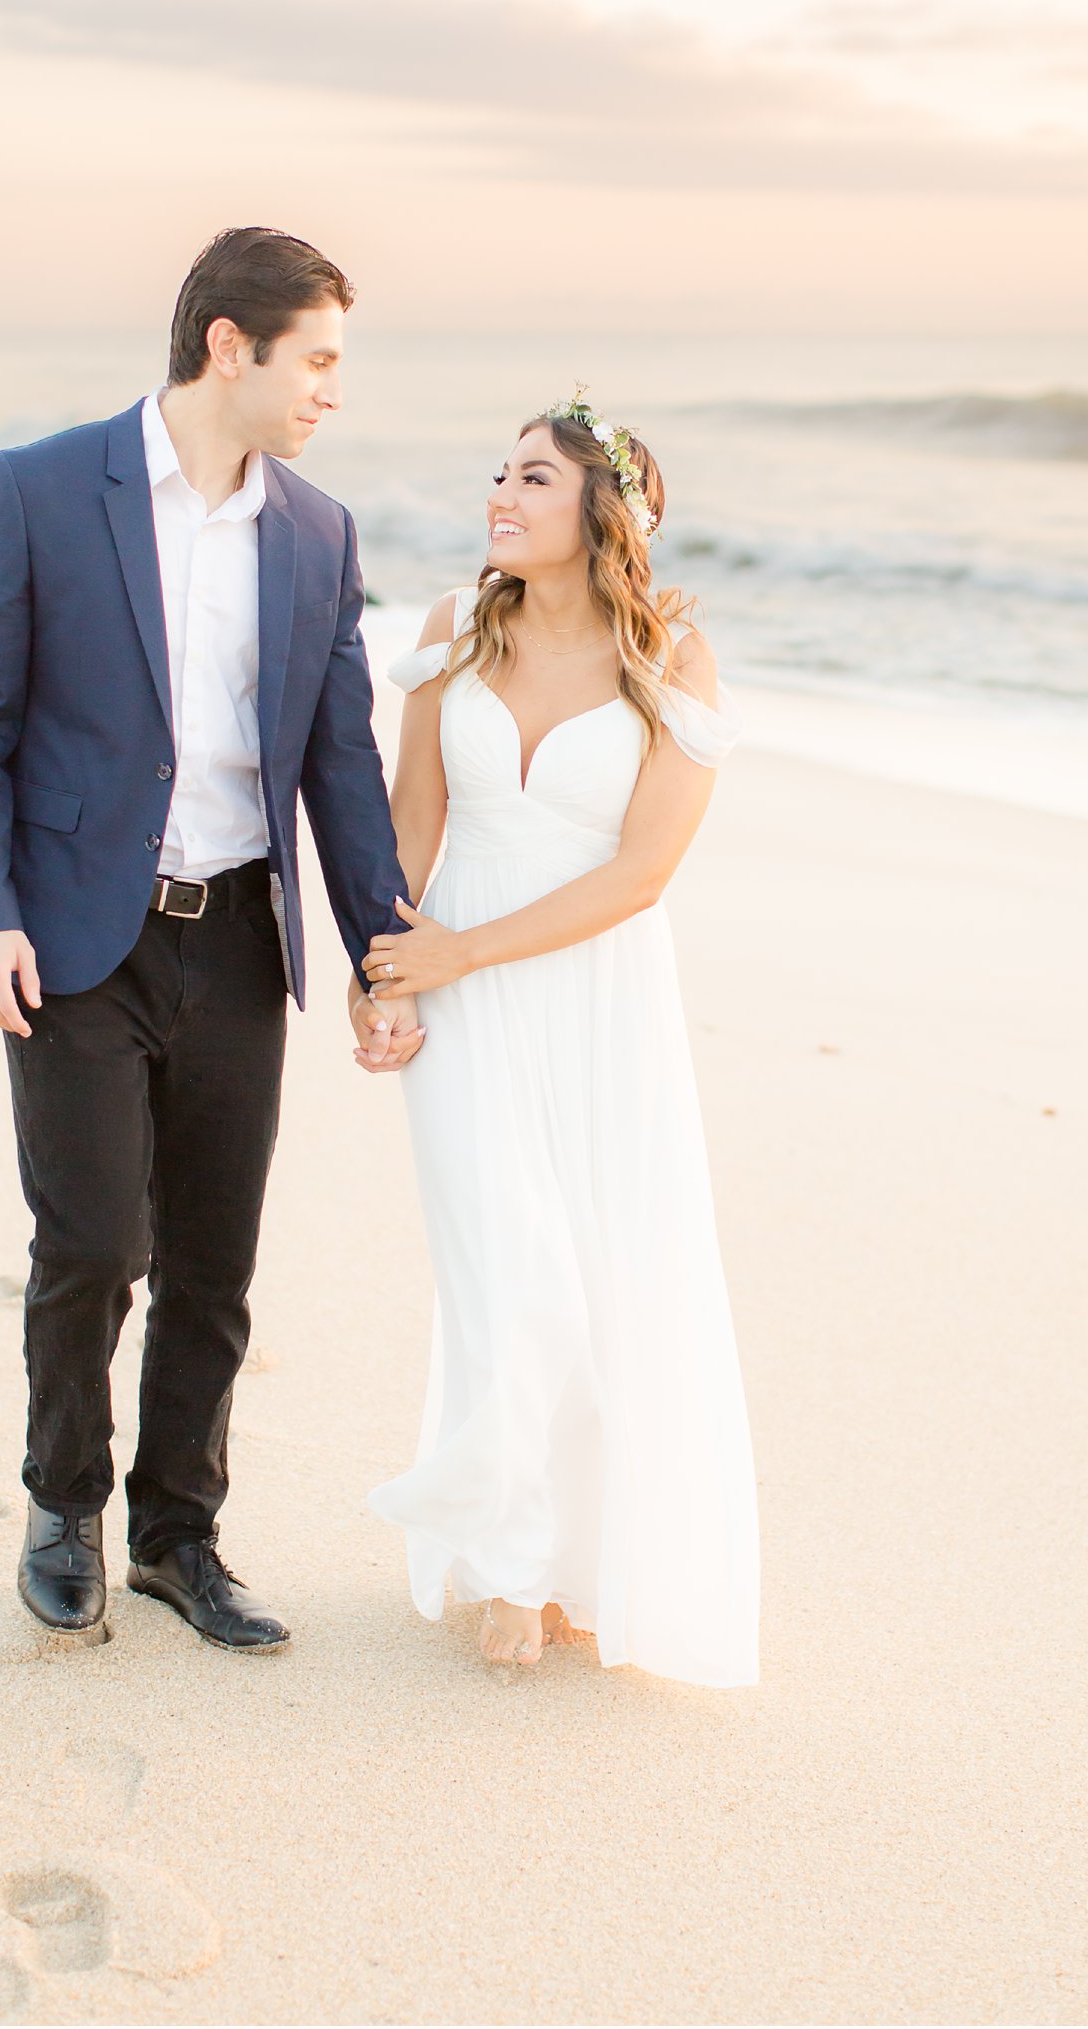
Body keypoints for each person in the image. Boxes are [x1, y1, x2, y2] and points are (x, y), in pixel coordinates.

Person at [0, 227, 422, 1651]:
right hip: (76, 935)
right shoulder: (38, 489)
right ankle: (62, 1507)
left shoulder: (318, 533)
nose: (331, 389)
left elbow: (340, 763)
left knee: (213, 1261)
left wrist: (385, 954)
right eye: (316, 359)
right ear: (228, 344)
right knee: (91, 1243)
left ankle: (178, 1538)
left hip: (236, 944)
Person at [359, 391, 760, 1685]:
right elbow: (411, 818)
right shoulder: (448, 636)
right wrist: (393, 976)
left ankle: (584, 1558)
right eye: (499, 473)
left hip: (599, 994)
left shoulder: (673, 660)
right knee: (509, 1271)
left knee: (603, 1275)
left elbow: (644, 871)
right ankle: (514, 1566)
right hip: (457, 989)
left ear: (606, 512)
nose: (502, 495)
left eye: (533, 478)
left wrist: (461, 953)